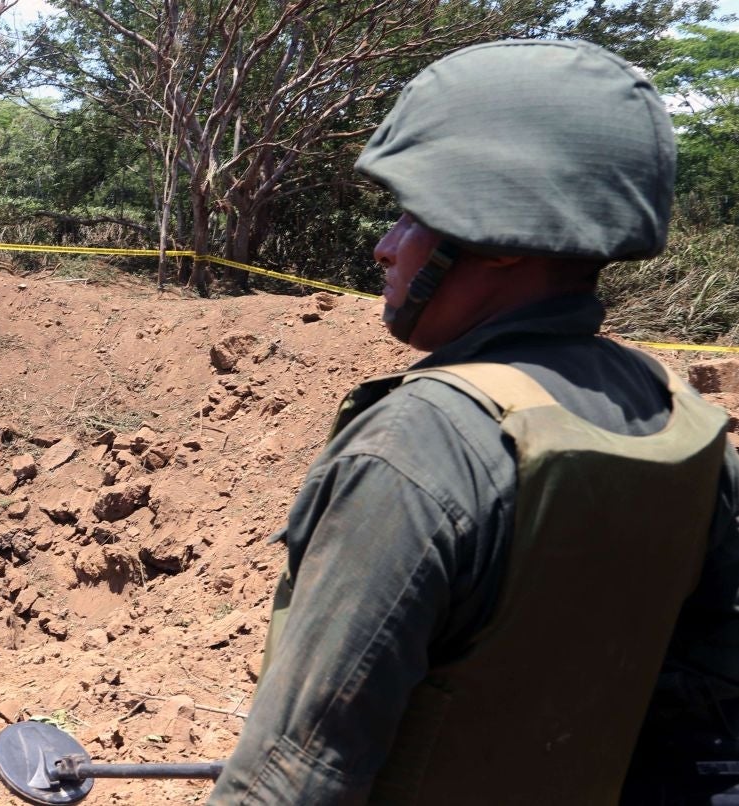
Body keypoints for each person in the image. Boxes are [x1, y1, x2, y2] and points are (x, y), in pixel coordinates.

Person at [209, 39, 739, 805]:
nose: (385, 248)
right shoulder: (676, 419)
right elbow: (705, 716)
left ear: (491, 239)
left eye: (411, 216)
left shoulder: (420, 445)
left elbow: (293, 776)